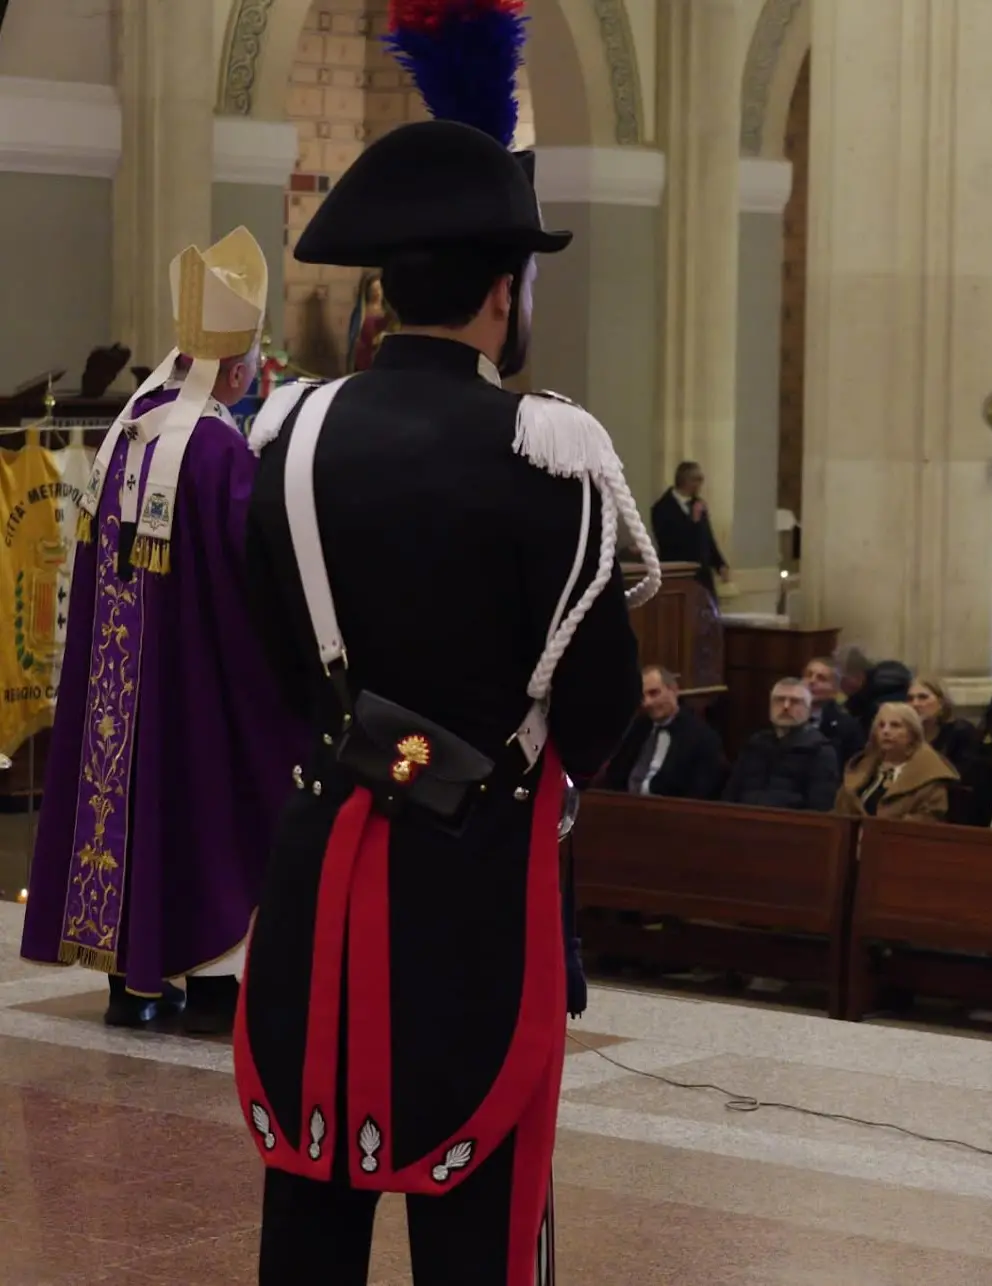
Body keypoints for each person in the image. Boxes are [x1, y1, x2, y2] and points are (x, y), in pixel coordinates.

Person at [232, 10, 661, 1281]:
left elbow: (274, 652)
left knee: (310, 1193)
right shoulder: (553, 454)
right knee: (479, 1223)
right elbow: (598, 703)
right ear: (500, 292)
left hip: (321, 857)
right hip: (480, 883)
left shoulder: (288, 437)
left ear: (381, 290)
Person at [19, 227, 305, 1034]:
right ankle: (213, 990)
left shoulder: (126, 430)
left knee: (132, 802)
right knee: (210, 795)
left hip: (119, 689)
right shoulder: (216, 449)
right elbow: (254, 577)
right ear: (237, 369)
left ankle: (131, 986)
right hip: (190, 682)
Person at [606, 665, 725, 799]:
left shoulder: (702, 738)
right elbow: (615, 774)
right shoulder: (638, 727)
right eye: (642, 697)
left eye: (654, 693)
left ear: (674, 690)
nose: (647, 703)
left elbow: (700, 794)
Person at [722, 678, 839, 811]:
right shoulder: (755, 744)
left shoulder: (821, 751)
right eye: (779, 700)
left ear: (809, 709)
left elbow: (820, 807)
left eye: (795, 701)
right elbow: (730, 795)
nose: (786, 706)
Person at [834, 702, 956, 821]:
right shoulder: (861, 768)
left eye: (895, 725)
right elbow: (838, 813)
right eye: (881, 725)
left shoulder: (930, 776)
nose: (886, 731)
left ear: (913, 734)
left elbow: (927, 821)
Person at [650, 460, 729, 596]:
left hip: (703, 578)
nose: (701, 484)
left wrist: (720, 564)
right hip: (679, 576)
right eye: (698, 479)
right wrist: (693, 522)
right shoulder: (662, 508)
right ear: (685, 480)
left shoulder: (698, 504)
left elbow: (708, 538)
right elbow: (668, 542)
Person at [802, 655, 867, 765]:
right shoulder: (786, 714)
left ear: (835, 689)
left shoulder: (847, 727)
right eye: (808, 675)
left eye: (821, 678)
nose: (812, 681)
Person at [907, 675, 978, 773]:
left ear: (941, 703)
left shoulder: (960, 733)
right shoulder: (905, 735)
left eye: (923, 697)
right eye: (910, 699)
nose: (915, 704)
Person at [346, 270, 394, 372]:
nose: (377, 293)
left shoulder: (389, 313)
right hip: (363, 362)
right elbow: (353, 338)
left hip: (382, 363)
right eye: (373, 290)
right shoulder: (360, 312)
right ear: (368, 291)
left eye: (379, 289)